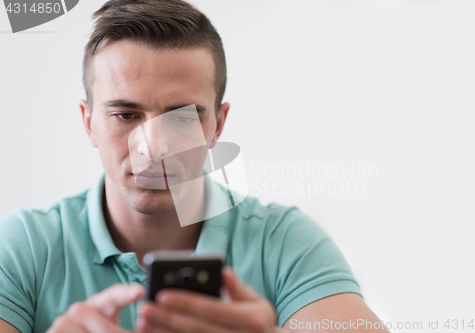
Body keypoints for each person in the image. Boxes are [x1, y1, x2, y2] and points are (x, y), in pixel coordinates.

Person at [0, 0, 389, 332]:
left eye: (182, 118)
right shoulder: (25, 247)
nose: (153, 149)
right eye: (125, 115)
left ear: (217, 125)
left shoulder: (285, 243)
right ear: (89, 123)